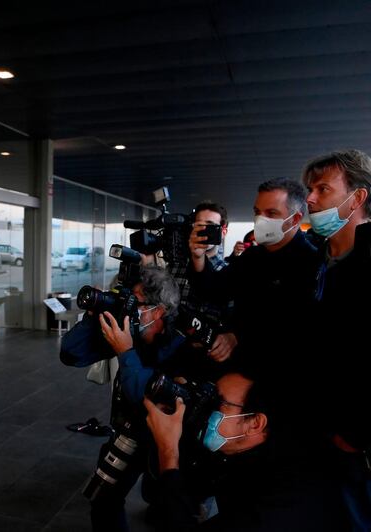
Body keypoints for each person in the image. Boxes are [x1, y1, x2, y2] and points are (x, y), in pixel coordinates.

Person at [144, 371, 346, 531]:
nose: (208, 408)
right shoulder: (254, 447)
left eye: (218, 403)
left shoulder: (285, 497)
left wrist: (168, 450)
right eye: (210, 394)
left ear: (255, 423)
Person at [187, 179, 321, 417]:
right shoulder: (253, 257)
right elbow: (216, 290)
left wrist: (237, 336)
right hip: (233, 372)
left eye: (271, 213)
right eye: (257, 212)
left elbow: (293, 326)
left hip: (280, 383)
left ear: (295, 218)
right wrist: (198, 258)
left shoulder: (311, 263)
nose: (261, 220)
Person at [302, 149, 371, 530]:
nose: (310, 198)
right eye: (310, 189)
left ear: (357, 197)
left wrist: (354, 435)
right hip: (315, 427)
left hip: (352, 442)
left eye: (323, 189)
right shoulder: (317, 261)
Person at [90, 266, 187, 531]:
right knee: (103, 499)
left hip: (163, 442)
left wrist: (125, 352)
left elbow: (146, 394)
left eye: (137, 303)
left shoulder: (180, 344)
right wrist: (96, 312)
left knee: (165, 506)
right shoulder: (131, 330)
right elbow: (70, 353)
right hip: (127, 433)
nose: (130, 308)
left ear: (158, 311)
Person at [168, 201, 237, 364]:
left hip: (205, 361)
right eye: (198, 225)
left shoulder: (232, 273)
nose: (203, 232)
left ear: (224, 231)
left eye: (210, 226)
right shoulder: (175, 268)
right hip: (167, 352)